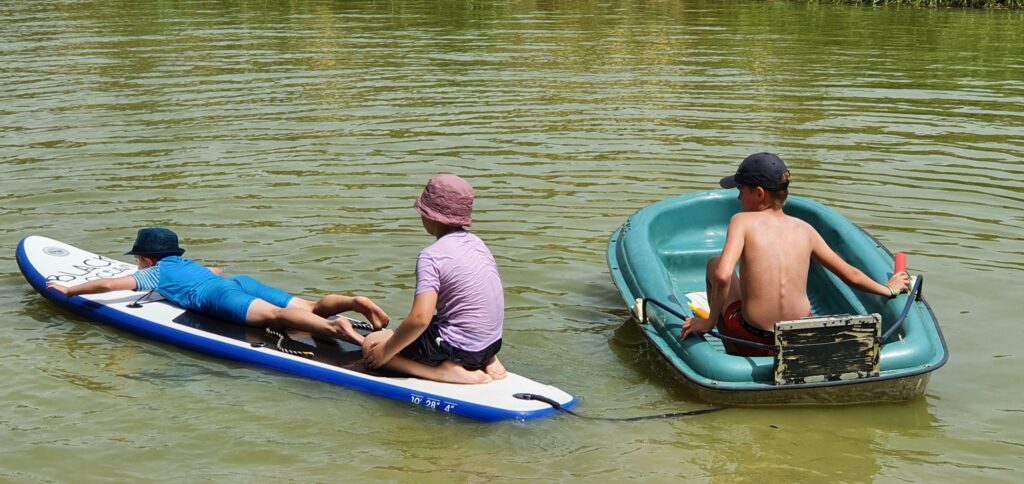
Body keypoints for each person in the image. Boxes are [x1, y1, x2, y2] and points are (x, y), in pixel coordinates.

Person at [680, 153, 911, 356]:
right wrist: (888, 289)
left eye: (740, 191)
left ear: (759, 193)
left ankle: (732, 350)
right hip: (799, 340)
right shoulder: (805, 229)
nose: (738, 198)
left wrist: (708, 322)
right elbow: (851, 275)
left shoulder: (742, 221)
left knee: (715, 263)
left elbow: (722, 276)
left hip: (753, 340)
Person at [46, 227, 389, 345]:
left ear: (147, 260)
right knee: (308, 305)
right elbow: (212, 267)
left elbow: (108, 284)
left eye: (137, 259)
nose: (136, 265)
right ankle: (351, 302)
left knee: (278, 316)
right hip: (236, 282)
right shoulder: (186, 263)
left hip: (217, 297)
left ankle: (335, 327)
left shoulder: (155, 274)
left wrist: (69, 290)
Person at [362, 174, 506, 384]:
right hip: (490, 344)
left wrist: (385, 351)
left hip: (460, 349)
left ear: (429, 215)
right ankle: (490, 362)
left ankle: (443, 372)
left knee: (372, 344)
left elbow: (419, 319)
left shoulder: (432, 256)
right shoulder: (477, 243)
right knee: (443, 319)